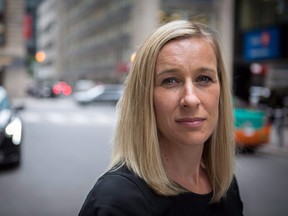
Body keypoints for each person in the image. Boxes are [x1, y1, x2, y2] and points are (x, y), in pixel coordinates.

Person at [79, 20, 243, 216]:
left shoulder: (225, 186)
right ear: (144, 98)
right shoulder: (117, 201)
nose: (190, 99)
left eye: (203, 79)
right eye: (170, 80)